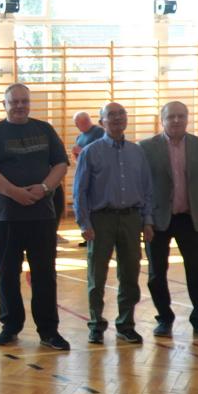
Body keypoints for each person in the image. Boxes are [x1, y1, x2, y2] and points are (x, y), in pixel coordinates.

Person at [0, 84, 70, 351]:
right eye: (14, 101)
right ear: (4, 104)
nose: (20, 106)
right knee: (7, 274)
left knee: (45, 274)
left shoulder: (45, 130)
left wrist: (44, 188)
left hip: (42, 216)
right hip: (5, 218)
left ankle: (49, 331)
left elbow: (61, 164)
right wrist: (14, 193)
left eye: (24, 101)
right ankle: (10, 326)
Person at [72, 102, 153, 345]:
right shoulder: (91, 152)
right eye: (111, 115)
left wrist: (147, 221)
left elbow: (147, 189)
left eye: (121, 114)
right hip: (101, 219)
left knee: (130, 274)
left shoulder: (137, 152)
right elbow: (80, 191)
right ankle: (96, 325)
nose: (117, 118)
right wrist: (84, 223)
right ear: (102, 122)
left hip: (131, 219)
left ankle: (126, 325)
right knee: (97, 276)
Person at [140, 101, 198, 341]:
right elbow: (141, 187)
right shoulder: (146, 147)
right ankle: (164, 318)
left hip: (190, 218)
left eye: (181, 116)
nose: (176, 120)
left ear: (187, 118)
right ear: (162, 120)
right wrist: (144, 220)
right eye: (171, 116)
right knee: (156, 274)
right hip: (157, 220)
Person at [72, 111, 105, 247]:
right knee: (84, 205)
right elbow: (79, 159)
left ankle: (97, 236)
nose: (77, 126)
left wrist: (81, 151)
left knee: (95, 208)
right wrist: (76, 155)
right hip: (84, 174)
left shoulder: (98, 132)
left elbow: (100, 152)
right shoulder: (80, 137)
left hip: (96, 177)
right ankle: (88, 235)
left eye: (78, 123)